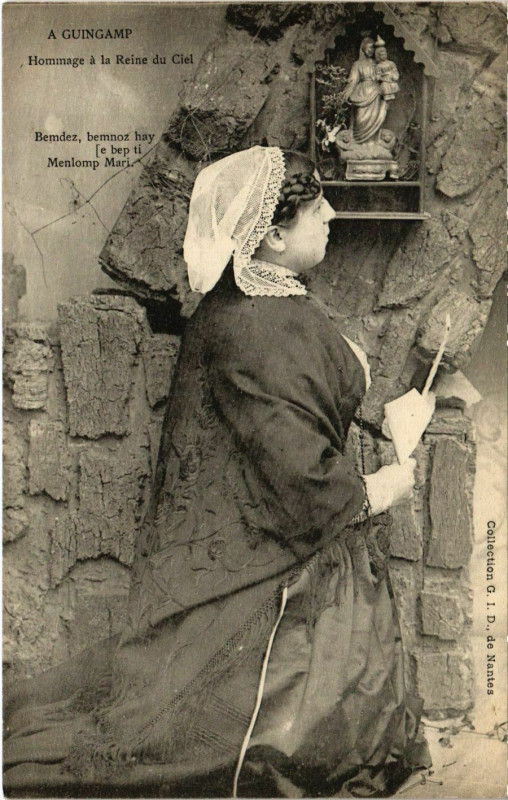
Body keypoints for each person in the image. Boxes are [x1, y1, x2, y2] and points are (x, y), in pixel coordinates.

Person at [4, 146, 424, 798]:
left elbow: (305, 397)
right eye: (319, 210)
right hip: (256, 570)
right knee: (307, 738)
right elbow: (301, 479)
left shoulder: (251, 303)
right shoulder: (251, 328)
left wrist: (379, 411)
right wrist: (384, 485)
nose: (333, 215)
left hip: (247, 543)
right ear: (275, 236)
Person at [342, 36, 388, 145]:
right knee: (360, 119)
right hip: (361, 94)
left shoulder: (379, 63)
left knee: (375, 119)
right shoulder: (357, 64)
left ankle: (372, 145)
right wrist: (346, 93)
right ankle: (358, 144)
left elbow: (386, 77)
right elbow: (352, 80)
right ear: (363, 49)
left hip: (376, 93)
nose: (371, 50)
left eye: (373, 48)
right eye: (368, 48)